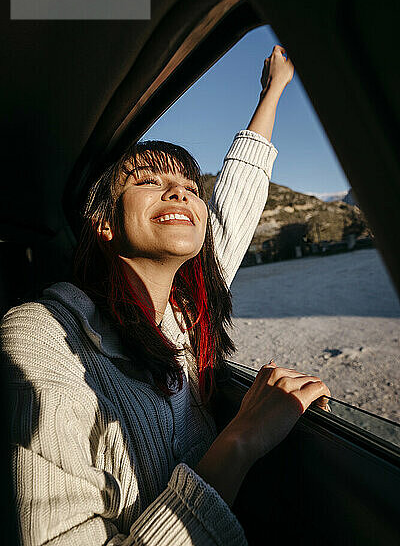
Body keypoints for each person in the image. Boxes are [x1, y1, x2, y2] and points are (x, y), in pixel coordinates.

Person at [1, 45, 330, 546]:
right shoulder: (42, 340)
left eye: (190, 186)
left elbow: (237, 198)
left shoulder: (184, 311)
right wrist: (239, 442)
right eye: (148, 182)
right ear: (105, 224)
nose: (179, 192)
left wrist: (274, 91)